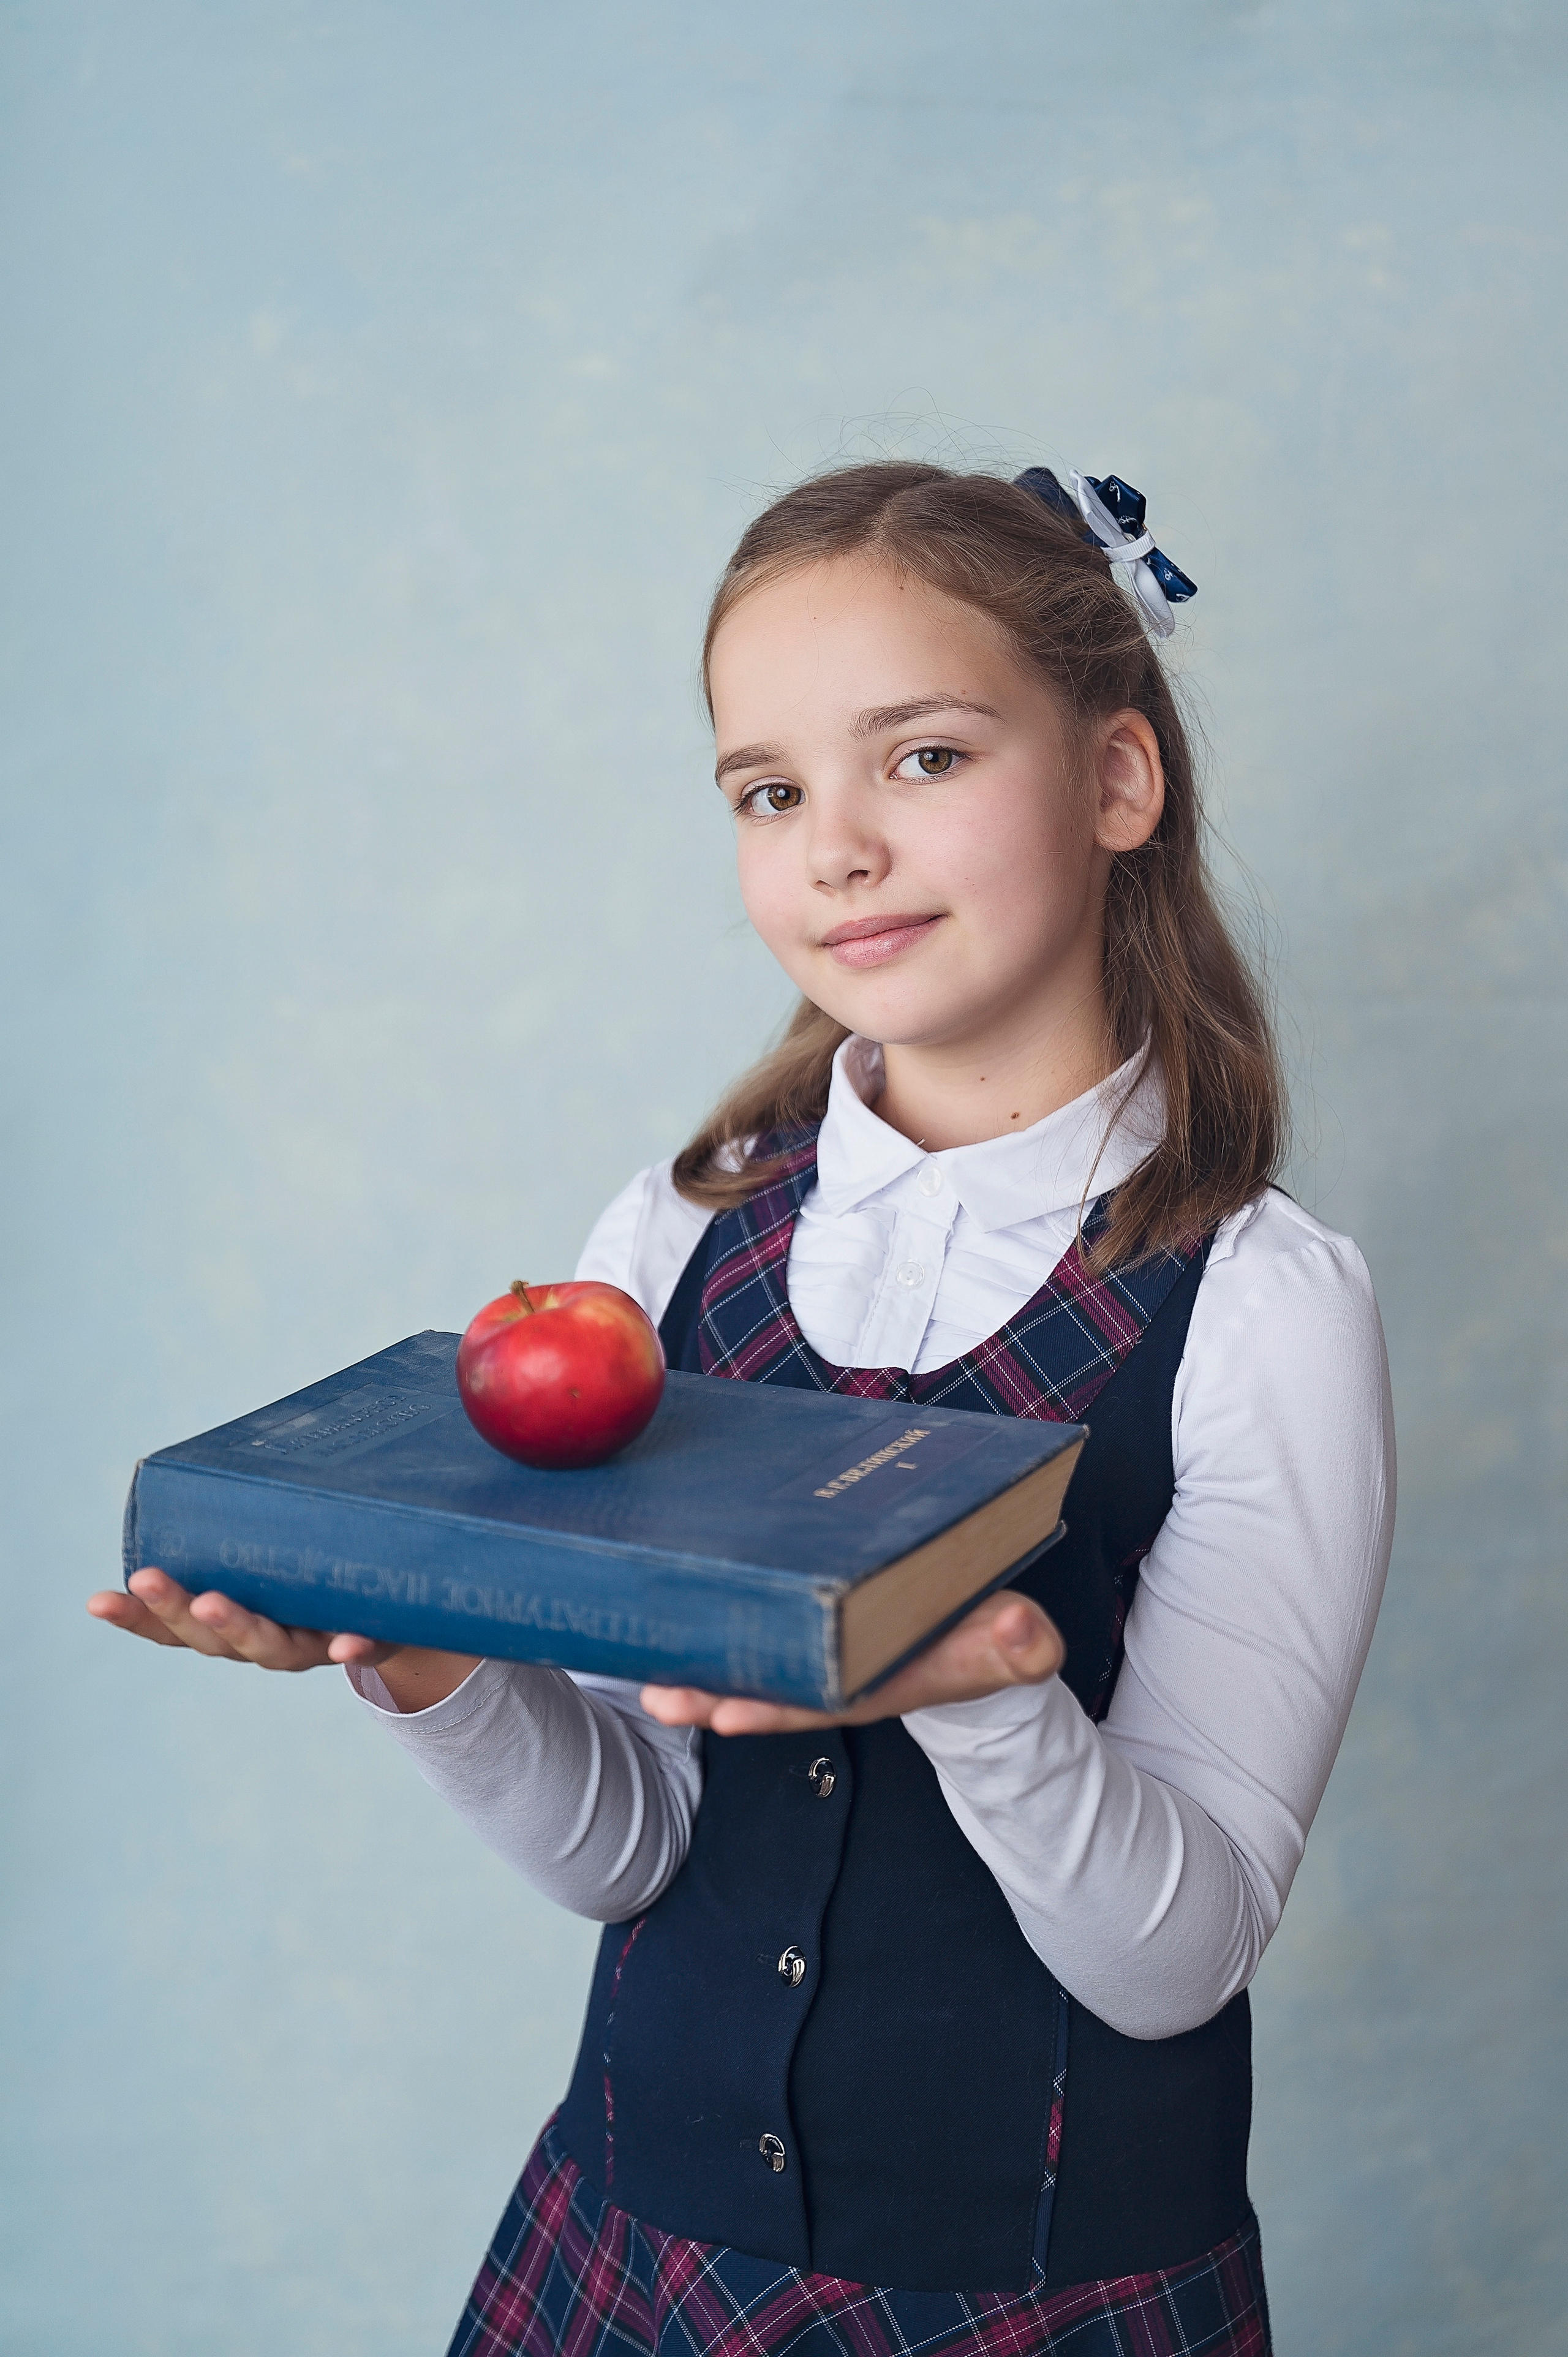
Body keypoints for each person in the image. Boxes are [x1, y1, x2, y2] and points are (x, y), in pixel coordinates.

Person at [90, 461, 1395, 2357]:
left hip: (1036, 2301)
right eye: (771, 792)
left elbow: (1177, 1957)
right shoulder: (671, 1243)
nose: (837, 848)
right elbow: (633, 1850)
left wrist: (991, 1698)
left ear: (1121, 779)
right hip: (635, 2248)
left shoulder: (1262, 1306)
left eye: (925, 758)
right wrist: (427, 1661)